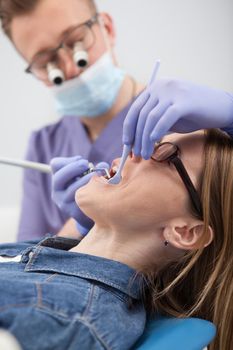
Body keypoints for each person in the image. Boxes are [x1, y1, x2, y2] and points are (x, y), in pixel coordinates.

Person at [0, 129, 232, 350]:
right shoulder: (43, 260)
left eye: (166, 154)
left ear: (186, 232)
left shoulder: (65, 315)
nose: (132, 150)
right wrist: (78, 226)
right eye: (150, 142)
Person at [0, 0, 144, 240]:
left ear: (107, 28)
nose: (70, 67)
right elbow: (24, 261)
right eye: (47, 63)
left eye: (77, 42)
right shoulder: (43, 146)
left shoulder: (175, 122)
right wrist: (78, 227)